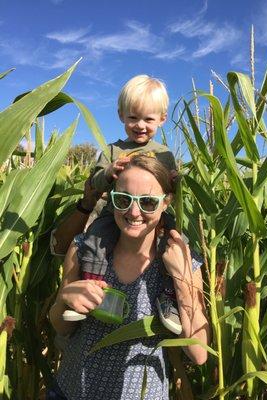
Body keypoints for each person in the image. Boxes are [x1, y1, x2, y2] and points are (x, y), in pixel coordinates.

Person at [49, 155, 209, 400]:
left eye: (147, 202)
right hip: (70, 391)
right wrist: (65, 298)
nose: (134, 212)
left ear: (166, 202)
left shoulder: (184, 261)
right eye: (123, 200)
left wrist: (180, 277)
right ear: (112, 200)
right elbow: (61, 326)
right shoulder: (84, 249)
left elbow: (198, 354)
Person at [81, 74, 181, 334]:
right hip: (115, 212)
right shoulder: (113, 151)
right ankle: (91, 287)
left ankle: (170, 296)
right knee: (95, 238)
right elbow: (96, 183)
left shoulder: (165, 154)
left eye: (148, 119)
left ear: (162, 119)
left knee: (177, 242)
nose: (140, 125)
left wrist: (176, 181)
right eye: (133, 118)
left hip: (152, 217)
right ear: (121, 115)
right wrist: (109, 172)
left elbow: (170, 192)